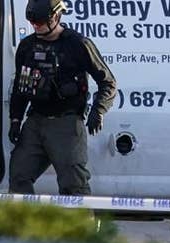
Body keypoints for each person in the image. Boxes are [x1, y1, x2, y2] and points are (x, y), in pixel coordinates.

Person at [7, 0, 117, 195]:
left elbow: (108, 82)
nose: (36, 26)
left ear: (56, 17)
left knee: (73, 185)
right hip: (36, 122)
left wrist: (98, 111)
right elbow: (20, 88)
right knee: (19, 176)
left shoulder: (77, 44)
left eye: (40, 22)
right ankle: (24, 225)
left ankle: (80, 226)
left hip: (66, 124)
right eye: (32, 23)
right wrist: (15, 119)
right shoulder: (27, 47)